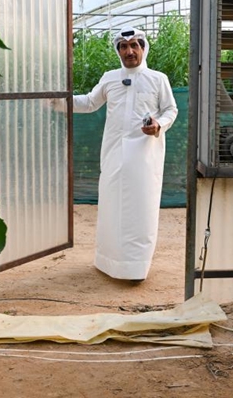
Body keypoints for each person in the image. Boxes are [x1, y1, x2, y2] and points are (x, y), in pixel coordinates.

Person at [71, 26, 178, 283]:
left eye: (135, 45)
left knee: (141, 210)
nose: (129, 51)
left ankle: (135, 269)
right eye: (124, 46)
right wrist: (58, 100)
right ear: (118, 50)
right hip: (113, 155)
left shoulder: (157, 78)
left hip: (144, 157)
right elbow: (89, 102)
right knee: (111, 207)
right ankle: (108, 263)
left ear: (143, 48)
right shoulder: (109, 78)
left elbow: (171, 110)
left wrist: (159, 125)